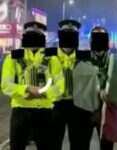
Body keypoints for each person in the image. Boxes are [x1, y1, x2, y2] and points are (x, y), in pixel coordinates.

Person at [1, 21, 64, 150]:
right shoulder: (13, 57)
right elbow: (5, 85)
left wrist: (43, 92)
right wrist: (26, 89)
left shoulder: (52, 59)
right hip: (20, 113)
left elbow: (60, 86)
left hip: (44, 113)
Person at [52, 19, 90, 150]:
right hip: (55, 105)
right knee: (53, 142)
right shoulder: (49, 56)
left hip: (77, 106)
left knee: (78, 143)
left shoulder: (85, 57)